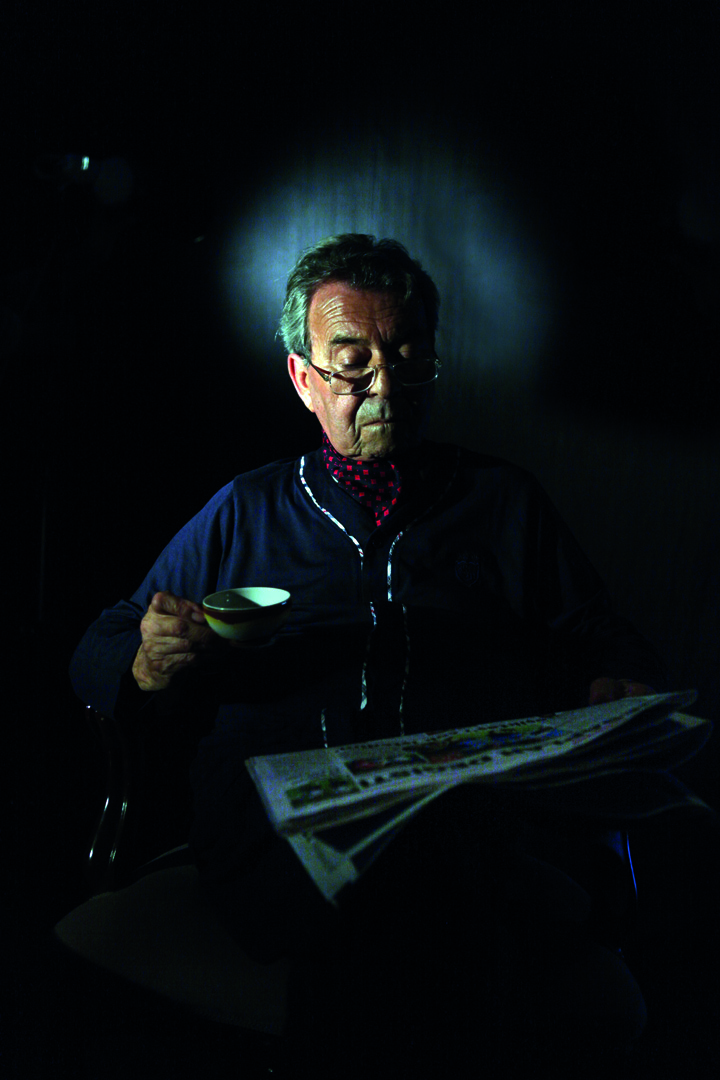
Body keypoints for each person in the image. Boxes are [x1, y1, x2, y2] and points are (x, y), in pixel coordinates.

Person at [69, 234, 666, 1073]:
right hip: (279, 833)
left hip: (459, 828)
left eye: (409, 354)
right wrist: (149, 659)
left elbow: (600, 634)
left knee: (432, 883)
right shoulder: (247, 511)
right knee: (378, 906)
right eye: (352, 362)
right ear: (303, 379)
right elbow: (101, 644)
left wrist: (614, 680)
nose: (385, 385)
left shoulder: (501, 503)